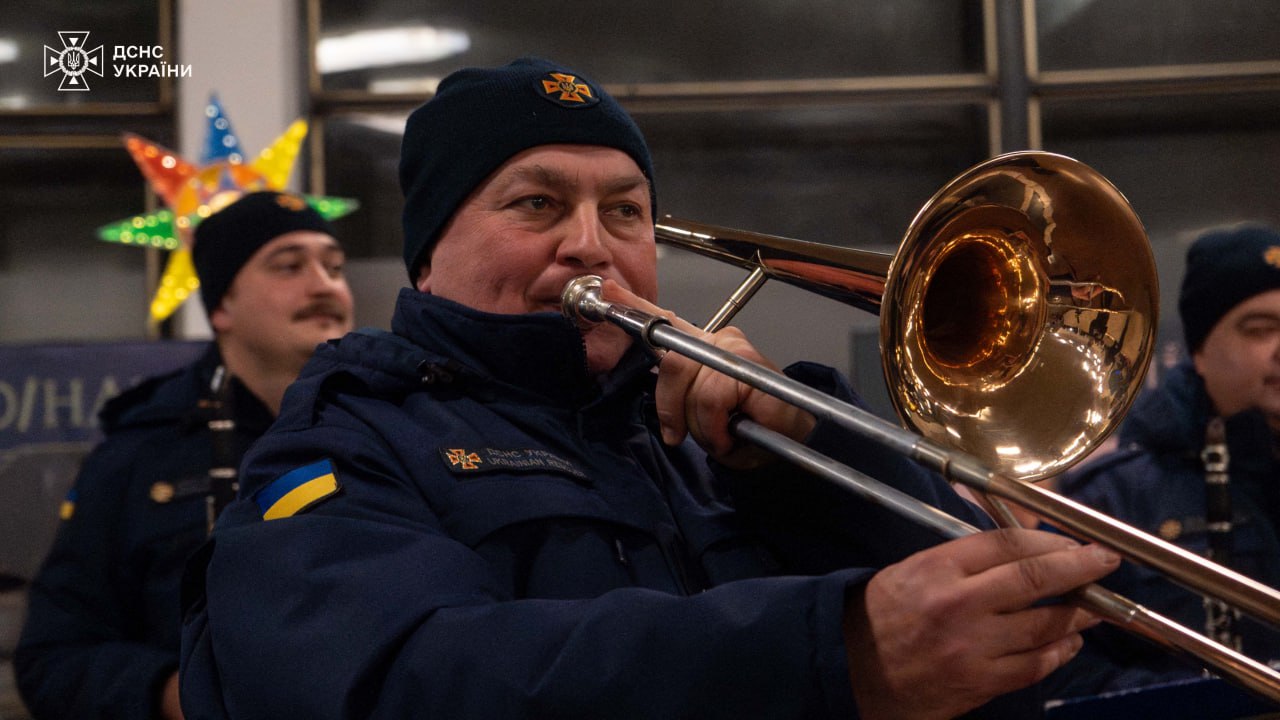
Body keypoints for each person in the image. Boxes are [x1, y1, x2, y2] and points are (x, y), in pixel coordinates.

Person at [179, 57, 1120, 720]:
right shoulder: (341, 443)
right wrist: (830, 652)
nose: (592, 244)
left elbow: (1007, 651)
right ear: (428, 256)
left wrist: (809, 454)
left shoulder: (715, 435)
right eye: (538, 203)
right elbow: (404, 682)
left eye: (626, 211)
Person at [16, 191, 355, 720]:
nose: (324, 285)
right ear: (221, 307)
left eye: (334, 267)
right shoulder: (141, 452)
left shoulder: (385, 427)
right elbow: (53, 659)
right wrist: (174, 693)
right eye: (289, 266)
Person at [1048, 224, 1280, 698]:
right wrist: (1207, 701)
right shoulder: (1109, 500)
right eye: (1259, 330)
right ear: (1199, 352)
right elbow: (1059, 665)